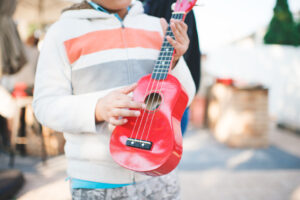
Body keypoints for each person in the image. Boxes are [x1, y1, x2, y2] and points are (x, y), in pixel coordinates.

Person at [33, 0, 195, 199]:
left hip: (160, 173)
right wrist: (97, 108)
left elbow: (186, 97)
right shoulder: (61, 32)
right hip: (96, 181)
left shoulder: (157, 27)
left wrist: (177, 60)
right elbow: (45, 105)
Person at [141, 0, 201, 134]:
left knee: (169, 149)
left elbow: (183, 53)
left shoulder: (176, 6)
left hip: (173, 96)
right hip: (142, 96)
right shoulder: (137, 7)